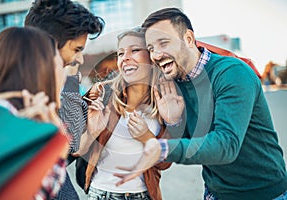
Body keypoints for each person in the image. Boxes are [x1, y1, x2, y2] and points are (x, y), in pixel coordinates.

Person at [114, 8, 287, 200]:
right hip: (215, 192)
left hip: (264, 193)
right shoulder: (174, 82)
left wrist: (161, 148)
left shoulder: (232, 73)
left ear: (188, 38)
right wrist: (174, 122)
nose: (156, 55)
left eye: (163, 43)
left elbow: (226, 145)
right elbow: (195, 143)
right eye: (151, 48)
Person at [75, 28, 171, 200]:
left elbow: (165, 163)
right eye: (120, 53)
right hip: (101, 194)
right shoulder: (101, 92)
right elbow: (76, 149)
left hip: (144, 195)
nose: (125, 57)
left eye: (134, 50)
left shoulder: (165, 99)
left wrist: (147, 137)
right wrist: (93, 132)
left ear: (151, 56)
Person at [25, 0, 104, 198]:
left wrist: (90, 135)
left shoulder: (43, 93)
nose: (80, 59)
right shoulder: (0, 94)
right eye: (77, 49)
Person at [0, 26, 68, 199]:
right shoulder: (23, 128)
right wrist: (58, 144)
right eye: (61, 64)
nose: (64, 74)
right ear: (44, 70)